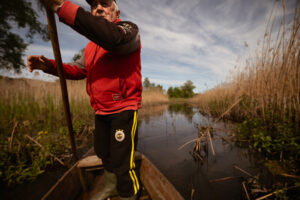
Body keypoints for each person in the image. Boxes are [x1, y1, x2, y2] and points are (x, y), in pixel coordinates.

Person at [27, 0, 142, 199]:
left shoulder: (127, 30)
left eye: (105, 3)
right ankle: (111, 186)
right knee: (103, 153)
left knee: (122, 161)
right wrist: (49, 67)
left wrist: (62, 7)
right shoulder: (91, 47)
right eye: (94, 5)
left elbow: (112, 37)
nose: (98, 8)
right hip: (101, 110)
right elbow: (78, 69)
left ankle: (128, 194)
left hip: (123, 108)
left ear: (117, 11)